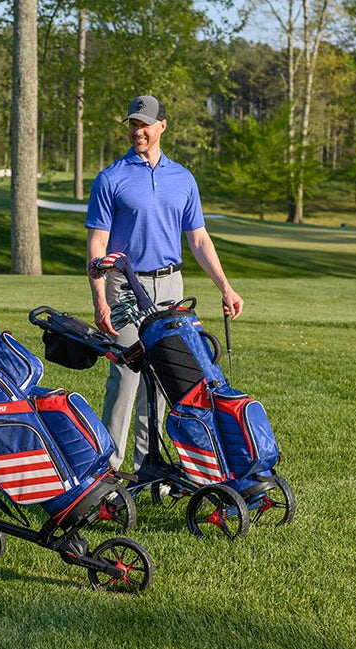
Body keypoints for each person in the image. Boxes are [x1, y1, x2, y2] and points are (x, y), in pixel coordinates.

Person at [85, 94, 245, 472]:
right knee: (124, 378)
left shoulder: (183, 178)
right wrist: (99, 300)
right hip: (124, 287)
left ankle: (149, 468)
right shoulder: (111, 178)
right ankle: (107, 470)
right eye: (133, 124)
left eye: (144, 124)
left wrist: (225, 287)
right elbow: (97, 244)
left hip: (170, 287)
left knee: (161, 380)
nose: (137, 131)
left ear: (162, 126)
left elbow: (199, 239)